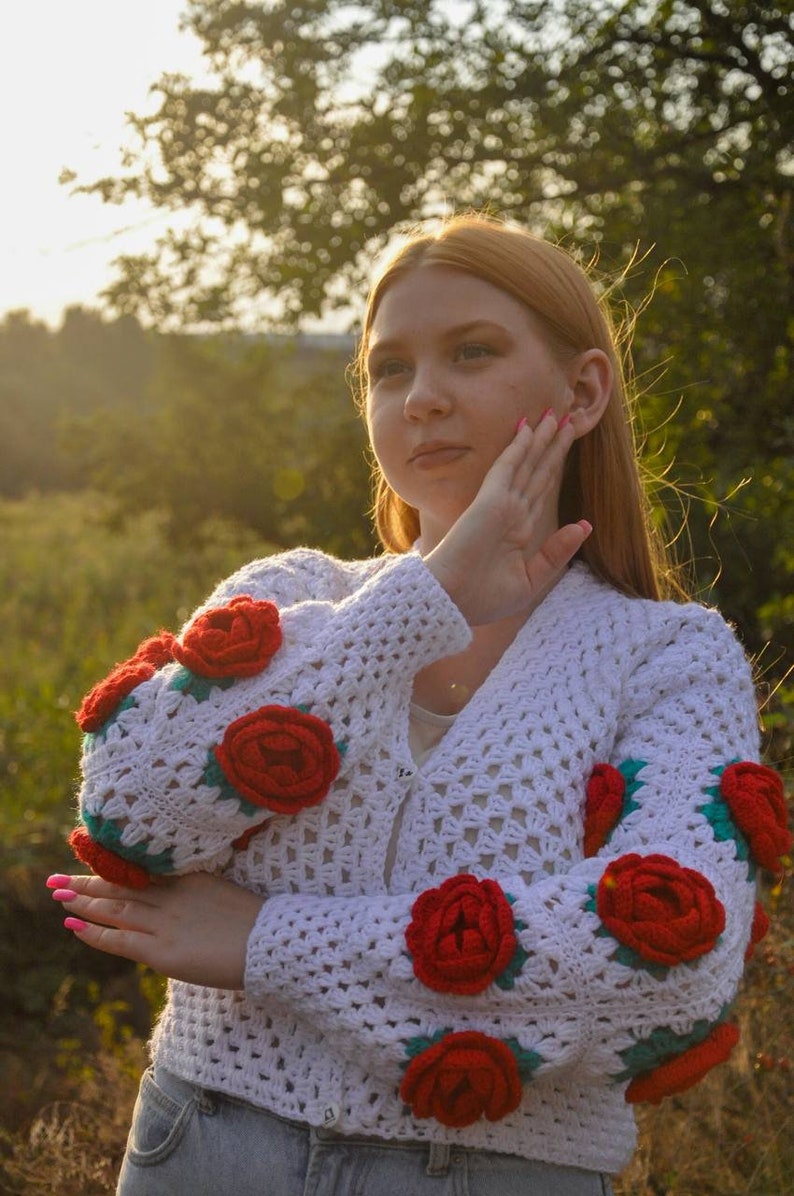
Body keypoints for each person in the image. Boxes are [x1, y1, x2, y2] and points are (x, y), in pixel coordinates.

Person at [46, 214, 790, 1196]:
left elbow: (663, 966)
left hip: (489, 1169)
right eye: (388, 368)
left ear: (582, 388)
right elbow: (131, 808)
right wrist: (416, 606)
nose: (423, 397)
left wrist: (269, 939)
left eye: (470, 352)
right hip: (208, 1145)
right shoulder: (291, 591)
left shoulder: (666, 655)